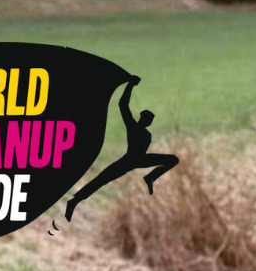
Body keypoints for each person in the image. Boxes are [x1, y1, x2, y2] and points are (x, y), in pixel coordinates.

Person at [64, 76, 179, 222]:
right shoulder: (133, 126)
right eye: (148, 119)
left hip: (140, 159)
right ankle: (74, 201)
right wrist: (130, 85)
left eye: (151, 120)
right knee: (100, 180)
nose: (149, 121)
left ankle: (151, 177)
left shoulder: (147, 134)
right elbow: (123, 104)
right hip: (129, 160)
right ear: (143, 118)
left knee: (173, 159)